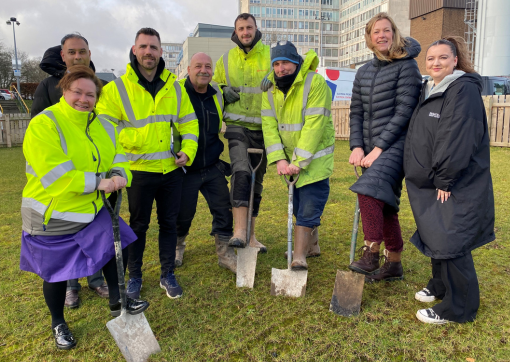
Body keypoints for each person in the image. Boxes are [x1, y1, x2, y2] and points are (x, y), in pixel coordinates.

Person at [20, 65, 149, 350]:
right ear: (64, 90)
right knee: (57, 274)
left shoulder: (102, 123)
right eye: (77, 92)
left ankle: (118, 299)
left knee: (119, 244)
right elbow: (55, 176)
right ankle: (58, 322)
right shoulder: (45, 124)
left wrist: (120, 174)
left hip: (90, 210)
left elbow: (119, 156)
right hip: (52, 214)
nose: (83, 99)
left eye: (90, 95)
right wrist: (101, 183)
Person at [96, 28, 199, 300]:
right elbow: (103, 128)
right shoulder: (116, 88)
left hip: (170, 170)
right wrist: (134, 139)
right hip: (137, 171)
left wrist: (188, 150)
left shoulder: (174, 87)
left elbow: (189, 122)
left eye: (153, 47)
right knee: (138, 227)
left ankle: (167, 274)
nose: (148, 52)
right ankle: (135, 277)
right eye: (143, 47)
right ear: (134, 50)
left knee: (169, 224)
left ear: (161, 51)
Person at [404, 37, 495, 324]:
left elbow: (458, 136)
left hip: (452, 181)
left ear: (455, 61)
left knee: (451, 238)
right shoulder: (429, 88)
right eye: (431, 58)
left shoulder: (462, 90)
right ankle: (440, 285)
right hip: (429, 181)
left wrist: (445, 179)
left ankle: (459, 309)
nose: (435, 63)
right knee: (436, 233)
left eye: (443, 58)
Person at [31, 33, 109, 309]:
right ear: (63, 55)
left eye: (83, 51)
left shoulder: (98, 85)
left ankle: (97, 280)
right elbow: (38, 133)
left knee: (95, 238)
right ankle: (71, 286)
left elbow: (104, 130)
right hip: (64, 189)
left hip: (95, 183)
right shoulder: (48, 87)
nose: (78, 56)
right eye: (72, 52)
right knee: (67, 246)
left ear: (89, 53)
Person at [347, 12, 422, 282]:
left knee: (368, 191)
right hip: (368, 149)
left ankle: (371, 251)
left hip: (397, 145)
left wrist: (378, 149)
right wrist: (357, 145)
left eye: (387, 30)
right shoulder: (363, 72)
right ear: (369, 38)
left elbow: (404, 112)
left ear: (394, 33)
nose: (382, 35)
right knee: (385, 202)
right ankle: (394, 263)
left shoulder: (407, 66)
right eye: (376, 31)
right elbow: (355, 111)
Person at [261, 42, 334, 269]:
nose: (281, 69)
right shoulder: (270, 90)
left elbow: (314, 124)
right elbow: (269, 125)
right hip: (290, 162)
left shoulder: (315, 82)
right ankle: (312, 246)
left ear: (297, 62)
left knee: (309, 206)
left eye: (286, 63)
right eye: (277, 64)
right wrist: (280, 160)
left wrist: (298, 161)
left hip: (314, 159)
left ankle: (299, 256)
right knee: (299, 203)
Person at [212, 13, 270, 252]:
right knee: (241, 172)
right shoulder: (226, 59)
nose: (245, 32)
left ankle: (252, 235)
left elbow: (293, 70)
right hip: (237, 127)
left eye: (249, 28)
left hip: (265, 128)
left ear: (256, 29)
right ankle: (239, 231)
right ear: (235, 32)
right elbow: (213, 84)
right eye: (241, 29)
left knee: (256, 182)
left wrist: (276, 79)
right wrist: (223, 90)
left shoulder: (270, 56)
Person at [175, 52, 236, 272]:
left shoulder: (217, 94)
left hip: (212, 166)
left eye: (208, 67)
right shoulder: (176, 93)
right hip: (184, 169)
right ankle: (177, 246)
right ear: (188, 69)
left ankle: (224, 252)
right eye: (198, 66)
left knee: (223, 209)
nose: (203, 70)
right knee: (183, 213)